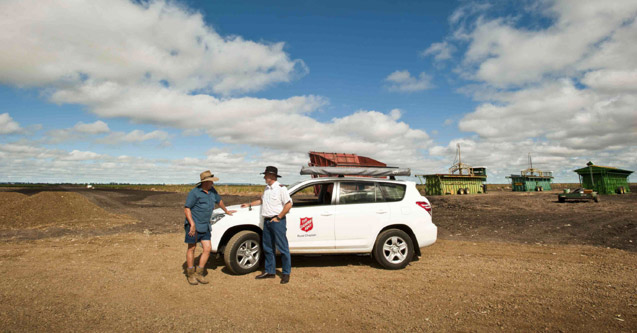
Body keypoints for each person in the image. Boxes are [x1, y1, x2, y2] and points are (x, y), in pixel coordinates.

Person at [241, 166, 293, 284]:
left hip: (277, 221)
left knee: (282, 247)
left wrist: (278, 217)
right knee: (268, 247)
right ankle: (270, 271)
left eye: (266, 175)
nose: (264, 177)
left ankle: (286, 273)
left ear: (272, 176)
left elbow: (288, 204)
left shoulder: (281, 189)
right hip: (267, 221)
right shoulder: (267, 188)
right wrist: (249, 204)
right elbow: (262, 201)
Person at [184, 170, 236, 285]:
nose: (212, 183)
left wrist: (226, 210)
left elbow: (219, 201)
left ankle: (199, 273)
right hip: (194, 225)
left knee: (207, 249)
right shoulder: (194, 192)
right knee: (191, 248)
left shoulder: (212, 191)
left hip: (205, 225)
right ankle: (191, 274)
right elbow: (187, 208)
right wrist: (192, 224)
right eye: (210, 181)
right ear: (204, 182)